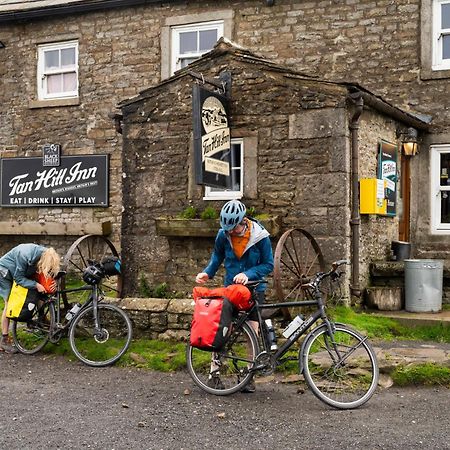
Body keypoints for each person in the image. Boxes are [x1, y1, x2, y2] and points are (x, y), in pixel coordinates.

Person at [196, 200, 274, 392]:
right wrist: (208, 272)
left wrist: (248, 275)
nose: (229, 232)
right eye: (227, 228)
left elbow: (268, 265)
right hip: (231, 288)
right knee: (221, 329)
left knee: (252, 333)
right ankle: (214, 374)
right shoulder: (223, 234)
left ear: (243, 221)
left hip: (255, 290)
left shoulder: (260, 236)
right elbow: (217, 256)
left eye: (233, 228)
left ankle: (249, 376)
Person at [0, 244, 60, 353]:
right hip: (4, 272)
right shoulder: (24, 255)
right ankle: (4, 339)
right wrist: (36, 285)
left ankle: (41, 320)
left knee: (39, 292)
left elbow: (47, 275)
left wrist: (53, 283)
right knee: (9, 303)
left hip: (23, 271)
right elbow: (18, 278)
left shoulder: (47, 255)